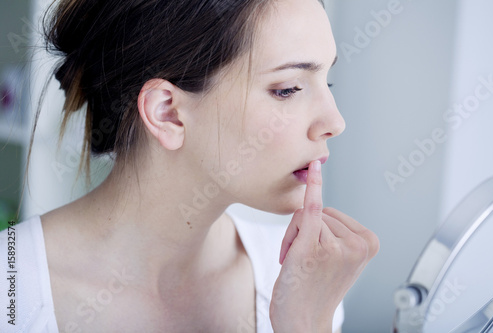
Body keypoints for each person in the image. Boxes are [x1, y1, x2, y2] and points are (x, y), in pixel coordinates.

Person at [0, 0, 379, 332]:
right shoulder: (11, 289)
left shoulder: (303, 281)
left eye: (327, 81)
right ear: (168, 113)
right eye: (288, 89)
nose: (335, 121)